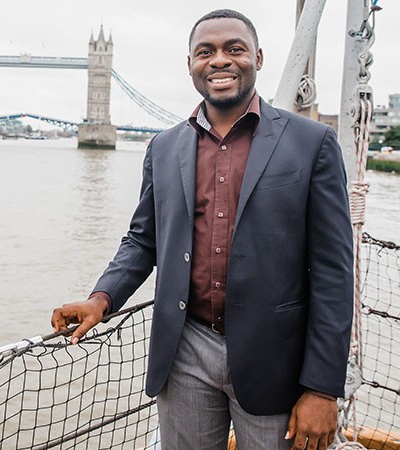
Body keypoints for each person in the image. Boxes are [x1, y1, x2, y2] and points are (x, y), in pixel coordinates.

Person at [51, 9, 353, 450]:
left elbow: (334, 272)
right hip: (185, 347)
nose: (219, 61)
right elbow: (143, 239)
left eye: (235, 49)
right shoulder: (163, 147)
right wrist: (102, 298)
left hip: (276, 356)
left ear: (259, 58)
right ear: (190, 64)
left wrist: (323, 387)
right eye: (205, 52)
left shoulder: (313, 143)